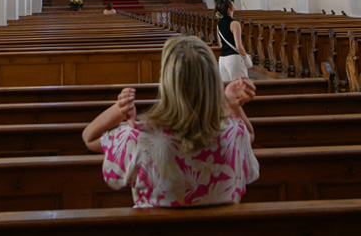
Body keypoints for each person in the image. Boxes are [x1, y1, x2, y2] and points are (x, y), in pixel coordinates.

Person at [82, 36, 259, 208]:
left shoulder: (138, 138)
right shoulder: (234, 133)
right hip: (222, 229)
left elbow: (89, 138)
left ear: (166, 83)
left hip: (152, 229)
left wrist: (119, 110)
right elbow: (249, 134)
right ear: (214, 81)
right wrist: (229, 104)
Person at [215, 0, 251, 83]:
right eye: (231, 2)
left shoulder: (219, 24)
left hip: (222, 60)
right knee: (241, 86)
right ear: (228, 9)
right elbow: (238, 46)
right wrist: (246, 55)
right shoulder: (234, 24)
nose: (233, 2)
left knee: (227, 88)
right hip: (234, 59)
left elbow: (221, 44)